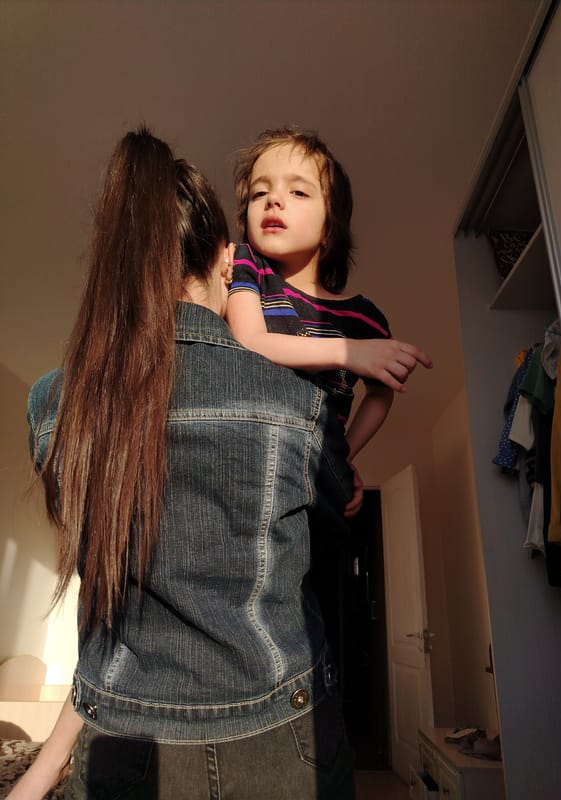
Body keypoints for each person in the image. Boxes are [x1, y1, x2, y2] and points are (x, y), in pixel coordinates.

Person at [15, 127, 359, 799]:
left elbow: (106, 598)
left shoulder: (53, 405)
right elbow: (331, 532)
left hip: (123, 746)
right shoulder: (297, 403)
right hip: (283, 743)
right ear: (227, 261)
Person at [227, 126, 433, 463]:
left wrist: (343, 458)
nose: (273, 200)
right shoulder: (247, 264)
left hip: (315, 467)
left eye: (298, 192)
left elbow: (380, 394)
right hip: (250, 452)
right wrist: (347, 352)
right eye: (259, 193)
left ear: (329, 227)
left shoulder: (363, 317)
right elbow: (250, 340)